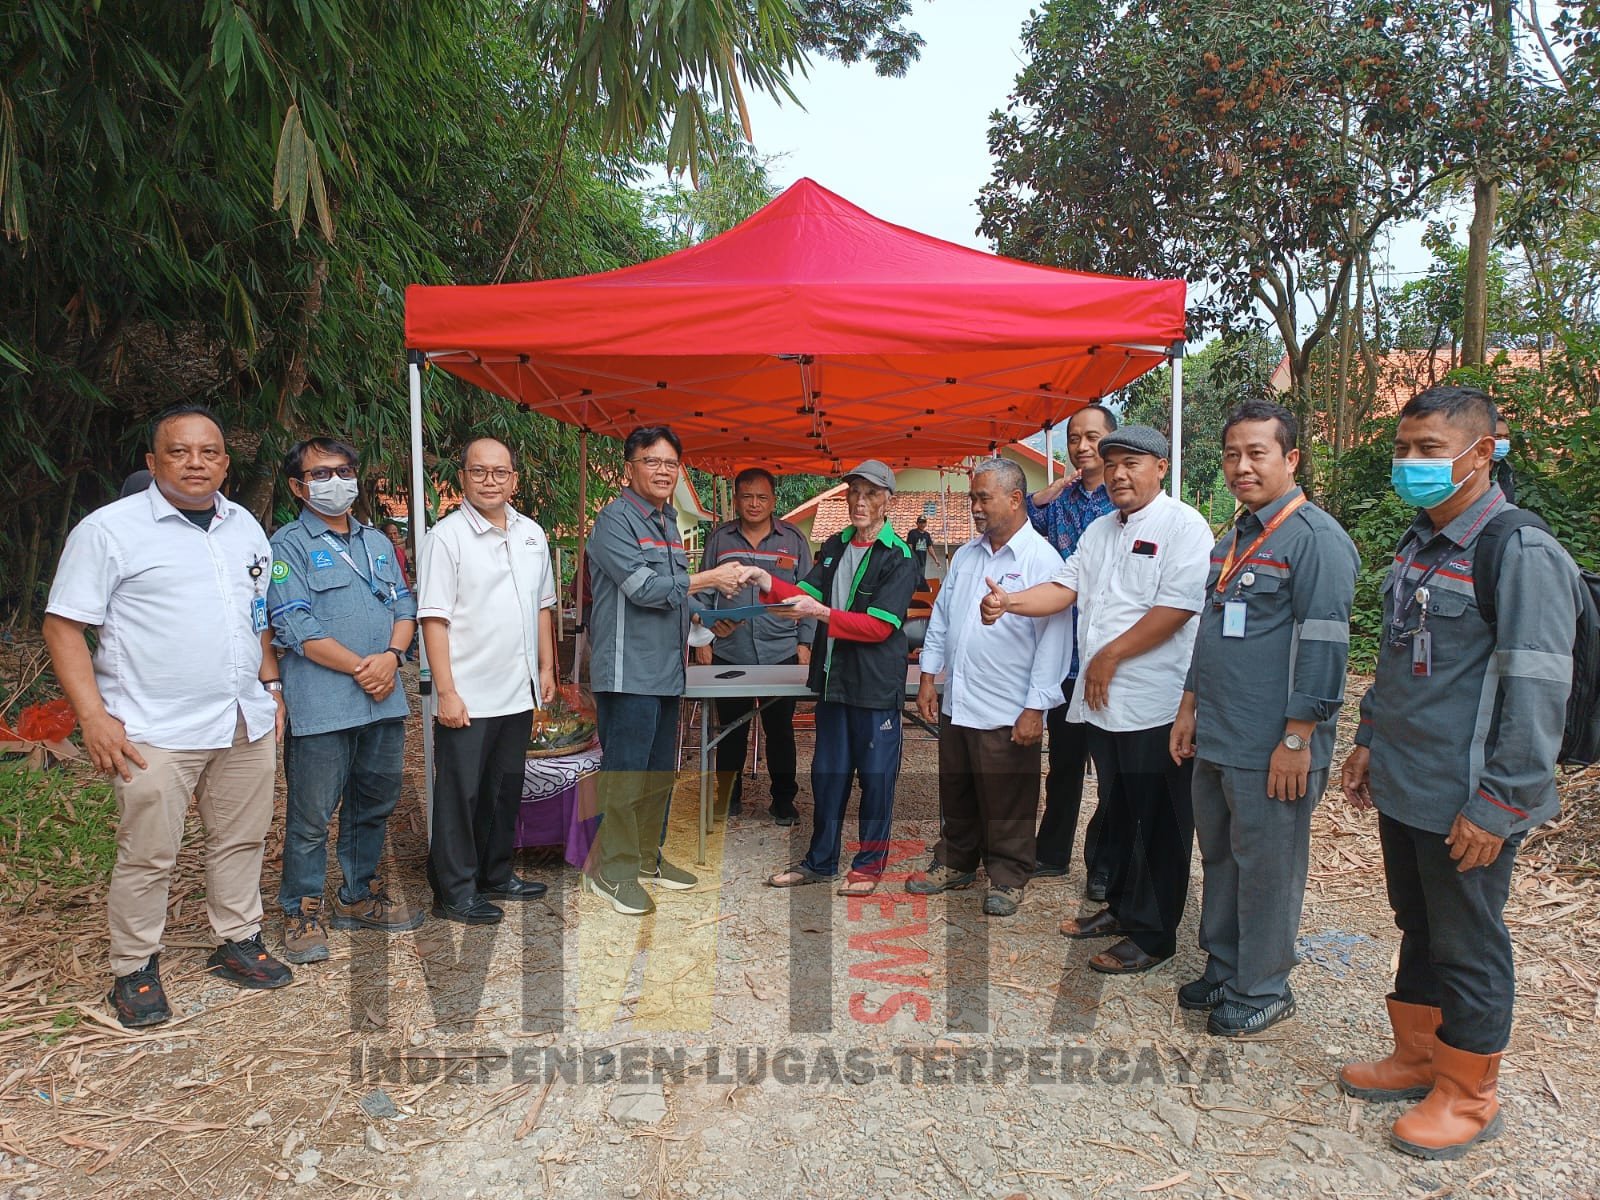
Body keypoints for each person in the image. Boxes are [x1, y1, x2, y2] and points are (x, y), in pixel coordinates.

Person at [1338, 385, 1581, 1160]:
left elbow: (1538, 694)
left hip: (1469, 797)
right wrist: (1369, 737)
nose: (1410, 463)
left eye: (1428, 450)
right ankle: (1419, 1055)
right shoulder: (1421, 541)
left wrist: (1500, 802)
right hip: (1408, 781)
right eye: (1402, 449)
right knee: (1418, 923)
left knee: (1468, 941)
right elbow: (1399, 659)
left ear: (1481, 454)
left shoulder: (1520, 552)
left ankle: (1469, 1093)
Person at [43, 405, 292, 1028]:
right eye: (179, 452)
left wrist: (271, 686)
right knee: (148, 852)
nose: (195, 463)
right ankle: (135, 968)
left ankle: (237, 939)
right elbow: (63, 626)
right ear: (153, 462)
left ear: (225, 463)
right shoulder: (109, 531)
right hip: (152, 728)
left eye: (208, 452)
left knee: (241, 838)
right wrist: (94, 718)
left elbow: (258, 615)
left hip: (242, 719)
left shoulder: (245, 528)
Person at [981, 426, 1210, 973]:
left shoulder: (1184, 526)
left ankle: (1153, 936)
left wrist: (1108, 656)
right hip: (1104, 705)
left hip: (1155, 703)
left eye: (1132, 463)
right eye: (1112, 465)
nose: (1119, 474)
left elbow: (1178, 608)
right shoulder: (1101, 530)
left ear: (1160, 467)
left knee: (1159, 818)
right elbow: (1065, 588)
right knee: (1119, 810)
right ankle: (1121, 908)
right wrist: (1011, 601)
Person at [1170, 400, 1359, 1035]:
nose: (1242, 467)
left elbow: (1326, 649)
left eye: (1257, 453)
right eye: (1232, 454)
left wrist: (1298, 738)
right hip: (1220, 733)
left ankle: (1264, 986)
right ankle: (1226, 966)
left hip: (1273, 743)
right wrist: (1190, 707)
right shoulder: (1235, 538)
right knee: (1222, 858)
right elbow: (1210, 636)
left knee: (1269, 868)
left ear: (1291, 459)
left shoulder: (1316, 540)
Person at [267, 437, 424, 964]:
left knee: (373, 803)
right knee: (311, 816)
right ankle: (302, 909)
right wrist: (365, 667)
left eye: (344, 471)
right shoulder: (287, 545)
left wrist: (393, 657)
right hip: (323, 704)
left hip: (383, 701)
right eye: (320, 474)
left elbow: (404, 604)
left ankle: (357, 895)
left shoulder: (377, 541)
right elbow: (293, 623)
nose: (335, 482)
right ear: (298, 487)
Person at [585, 426, 751, 916]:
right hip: (627, 672)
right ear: (629, 468)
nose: (663, 471)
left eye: (670, 463)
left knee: (659, 771)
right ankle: (613, 872)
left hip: (665, 671)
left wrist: (706, 616)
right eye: (652, 461)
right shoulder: (614, 521)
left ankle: (646, 858)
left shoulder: (667, 521)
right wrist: (709, 578)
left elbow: (676, 592)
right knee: (626, 774)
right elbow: (643, 588)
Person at [908, 459, 1069, 916]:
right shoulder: (966, 556)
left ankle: (1009, 876)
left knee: (1009, 796)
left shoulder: (1042, 560)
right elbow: (942, 619)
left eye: (983, 498)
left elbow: (1054, 642)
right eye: (972, 498)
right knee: (956, 788)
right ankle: (956, 861)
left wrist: (1036, 707)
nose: (975, 507)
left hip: (1008, 705)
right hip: (960, 699)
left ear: (1016, 499)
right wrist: (928, 678)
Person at [756, 460, 920, 897]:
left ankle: (868, 866)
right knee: (827, 776)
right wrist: (763, 579)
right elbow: (802, 595)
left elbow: (880, 627)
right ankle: (821, 861)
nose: (860, 501)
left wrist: (821, 613)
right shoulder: (835, 545)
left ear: (888, 501)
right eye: (854, 493)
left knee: (876, 779)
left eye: (871, 493)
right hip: (833, 682)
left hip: (874, 686)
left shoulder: (899, 556)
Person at [417, 437, 557, 925]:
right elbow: (433, 619)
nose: (490, 481)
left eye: (500, 472)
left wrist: (547, 669)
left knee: (503, 788)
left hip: (517, 689)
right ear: (463, 477)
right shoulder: (446, 538)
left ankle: (494, 873)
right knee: (460, 795)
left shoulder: (532, 534)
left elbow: (542, 607)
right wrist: (446, 692)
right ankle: (453, 891)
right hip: (468, 694)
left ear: (514, 479)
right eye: (479, 472)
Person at [1026, 404, 1119, 896]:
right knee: (1063, 765)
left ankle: (1103, 866)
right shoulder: (1058, 503)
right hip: (1064, 656)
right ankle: (1051, 853)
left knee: (1110, 772)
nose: (1083, 447)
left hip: (1109, 658)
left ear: (1112, 441)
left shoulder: (1125, 500)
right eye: (1075, 438)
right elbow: (1006, 518)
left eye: (1093, 437)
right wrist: (1038, 496)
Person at [692, 466, 814, 825]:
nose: (754, 504)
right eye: (747, 497)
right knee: (731, 730)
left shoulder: (793, 540)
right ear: (736, 500)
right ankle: (728, 798)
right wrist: (704, 634)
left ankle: (783, 800)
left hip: (781, 652)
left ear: (774, 500)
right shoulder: (720, 539)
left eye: (762, 497)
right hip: (731, 651)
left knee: (781, 730)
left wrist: (805, 642)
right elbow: (702, 592)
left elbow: (810, 596)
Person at [1491, 414, 1516, 505]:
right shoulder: (1469, 471)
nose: (1503, 441)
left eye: (1506, 437)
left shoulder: (1507, 468)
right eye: (1497, 437)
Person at [381, 520, 413, 585]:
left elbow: (406, 574)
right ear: (384, 536)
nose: (393, 537)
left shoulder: (401, 552)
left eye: (395, 533)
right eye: (389, 534)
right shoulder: (380, 554)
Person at [906, 516, 935, 581]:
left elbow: (930, 548)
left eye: (924, 522)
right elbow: (909, 546)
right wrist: (909, 558)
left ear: (926, 524)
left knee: (921, 579)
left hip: (922, 562)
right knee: (913, 579)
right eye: (920, 522)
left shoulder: (927, 535)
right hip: (914, 561)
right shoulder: (912, 533)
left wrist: (936, 559)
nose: (922, 524)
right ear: (917, 523)